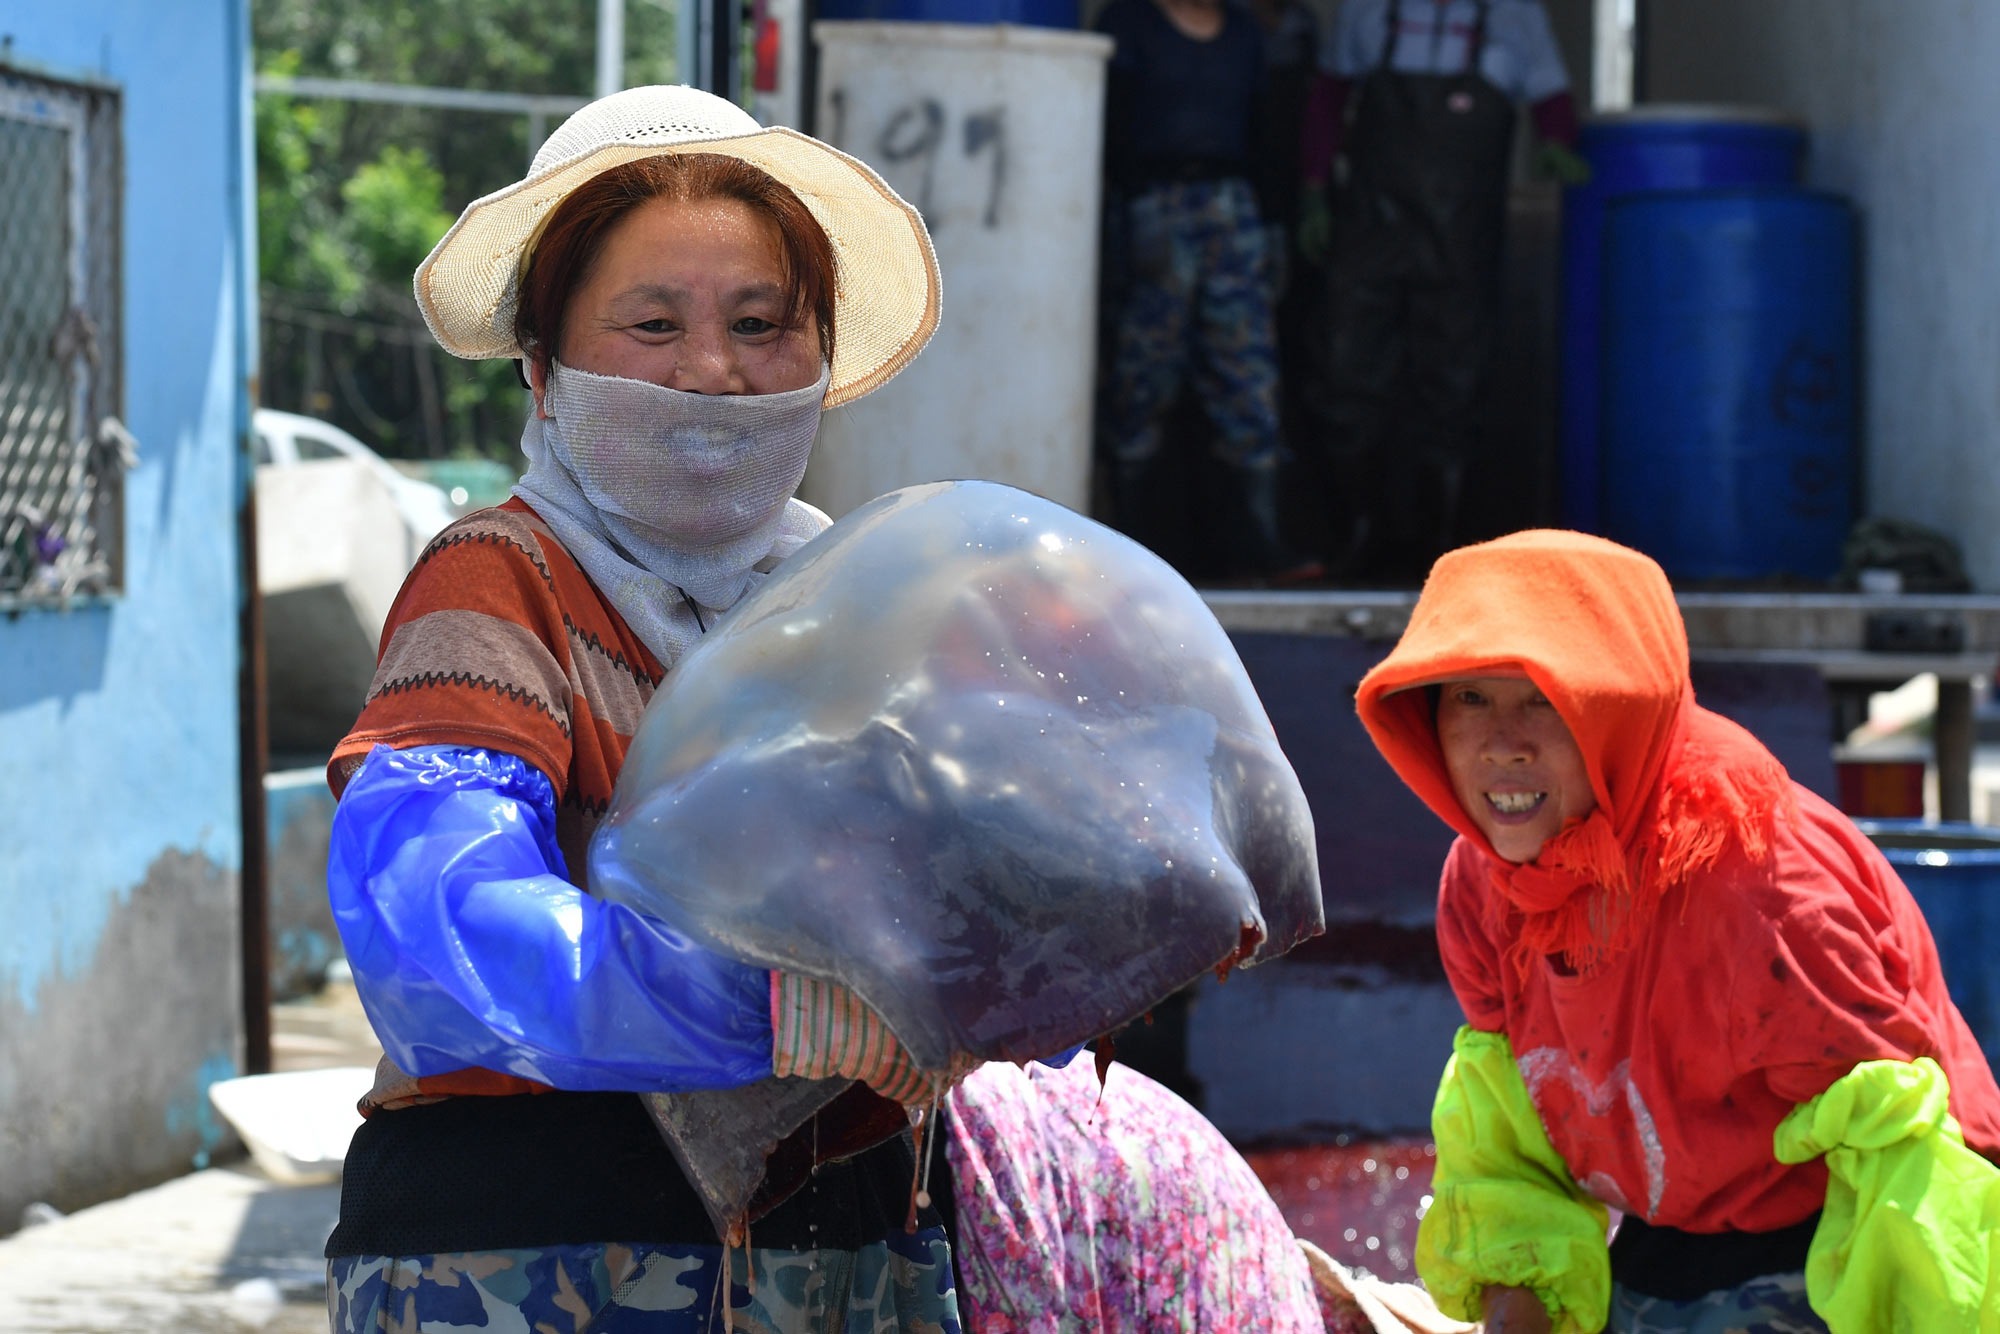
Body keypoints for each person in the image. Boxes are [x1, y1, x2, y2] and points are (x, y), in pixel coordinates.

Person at [320, 84, 971, 1331]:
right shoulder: (497, 582)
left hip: (846, 1257)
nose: (714, 370)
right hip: (535, 1255)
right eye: (653, 323)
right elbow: (433, 937)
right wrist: (767, 1004)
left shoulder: (860, 608)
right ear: (541, 367)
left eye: (762, 321)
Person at [1353, 529, 2000, 1331]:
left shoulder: (1759, 889)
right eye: (1470, 699)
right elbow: (1505, 1137)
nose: (1502, 746)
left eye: (1545, 701)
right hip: (1675, 1225)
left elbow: (1905, 1181)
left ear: (1621, 712)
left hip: (1830, 1240)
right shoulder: (1482, 881)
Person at [1296, 0, 1583, 580]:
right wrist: (1313, 187)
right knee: (1348, 373)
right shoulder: (1366, 10)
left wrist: (1561, 144)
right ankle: (1358, 538)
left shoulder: (1514, 14)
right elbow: (1329, 97)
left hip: (1461, 233)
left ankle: (1439, 548)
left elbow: (1551, 97)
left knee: (1453, 383)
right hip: (1370, 228)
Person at [1094, 0, 1321, 585]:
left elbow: (1265, 131)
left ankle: (1261, 543)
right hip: (1150, 212)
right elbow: (1106, 134)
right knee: (1142, 377)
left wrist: (1274, 225)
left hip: (1232, 211)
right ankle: (1125, 548)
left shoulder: (1245, 33)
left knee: (1247, 375)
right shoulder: (1129, 26)